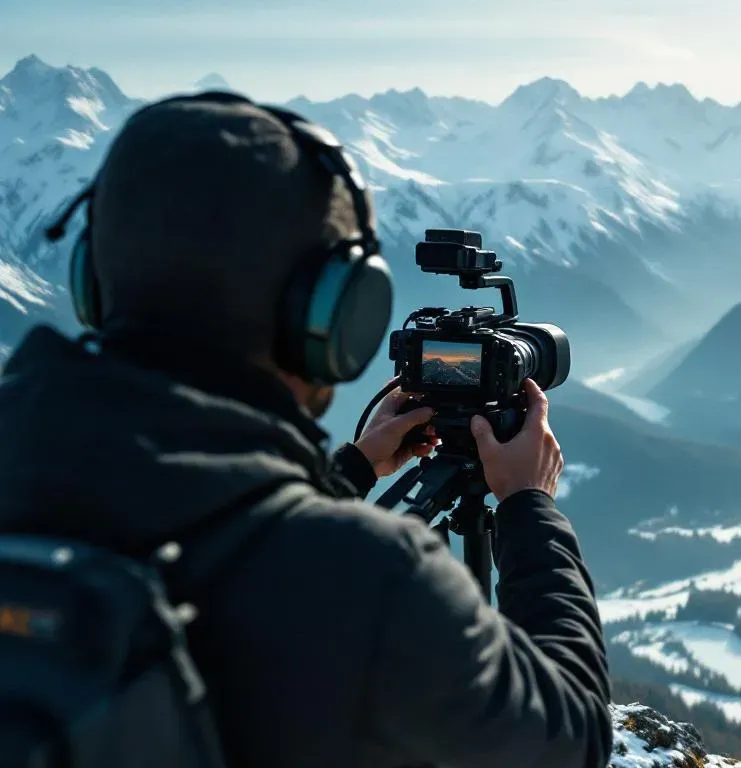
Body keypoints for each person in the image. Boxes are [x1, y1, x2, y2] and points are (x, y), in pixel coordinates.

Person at [0, 93, 612, 767]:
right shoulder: (374, 581)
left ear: (94, 284)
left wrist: (347, 474)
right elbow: (569, 738)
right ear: (335, 317)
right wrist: (528, 507)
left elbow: (194, 525)